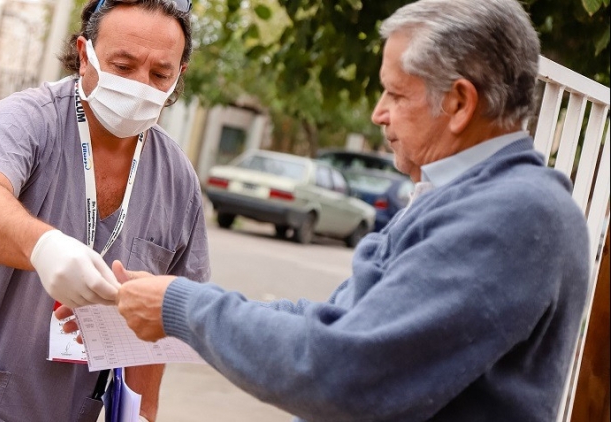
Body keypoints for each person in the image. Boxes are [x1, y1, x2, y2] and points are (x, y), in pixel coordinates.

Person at [65, 0, 592, 420]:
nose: (378, 113)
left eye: (394, 93)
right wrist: (164, 303)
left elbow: (348, 371)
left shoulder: (516, 215)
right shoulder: (465, 196)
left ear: (458, 103)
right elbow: (335, 323)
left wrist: (180, 308)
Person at [0, 0, 209, 421]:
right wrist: (43, 247)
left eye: (160, 74)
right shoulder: (29, 120)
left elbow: (159, 326)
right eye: (123, 66)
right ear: (85, 55)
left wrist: (141, 414)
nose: (141, 85)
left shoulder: (178, 184)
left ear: (180, 76)